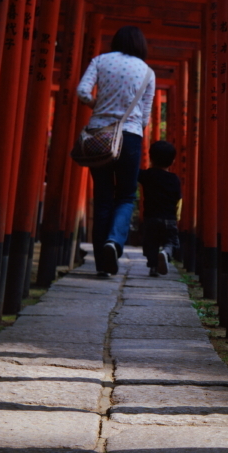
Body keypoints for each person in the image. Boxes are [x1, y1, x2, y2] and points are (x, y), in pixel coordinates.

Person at [76, 25, 155, 276]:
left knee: (103, 197)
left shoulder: (100, 61)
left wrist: (98, 106)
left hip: (100, 136)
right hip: (130, 136)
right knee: (126, 197)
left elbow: (81, 91)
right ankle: (114, 241)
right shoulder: (147, 72)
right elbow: (145, 118)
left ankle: (102, 265)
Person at [139, 140, 182, 276]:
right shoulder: (174, 179)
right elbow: (178, 200)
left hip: (151, 218)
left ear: (151, 158)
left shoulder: (147, 175)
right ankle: (165, 253)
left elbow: (133, 172)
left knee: (150, 244)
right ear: (173, 161)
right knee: (171, 242)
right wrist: (177, 217)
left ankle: (153, 267)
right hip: (169, 218)